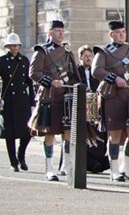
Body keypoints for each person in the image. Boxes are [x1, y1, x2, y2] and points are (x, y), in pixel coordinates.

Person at [92, 20, 129, 181]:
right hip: (113, 96)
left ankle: (127, 166)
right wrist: (114, 78)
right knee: (115, 134)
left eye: (123, 32)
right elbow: (96, 70)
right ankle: (115, 169)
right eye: (118, 32)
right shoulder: (103, 52)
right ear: (111, 34)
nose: (121, 35)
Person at [29, 18, 81, 181]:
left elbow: (73, 74)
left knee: (67, 132)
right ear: (50, 32)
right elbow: (33, 73)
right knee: (50, 133)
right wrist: (50, 82)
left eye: (62, 31)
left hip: (65, 97)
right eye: (58, 31)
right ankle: (49, 168)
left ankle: (66, 165)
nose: (61, 33)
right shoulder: (41, 51)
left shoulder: (66, 52)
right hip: (49, 96)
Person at [0, 33, 33, 172]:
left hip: (22, 101)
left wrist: (32, 102)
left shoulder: (24, 60)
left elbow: (29, 83)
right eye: (12, 45)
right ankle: (13, 162)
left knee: (28, 132)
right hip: (7, 101)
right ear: (7, 46)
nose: (14, 48)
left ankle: (21, 156)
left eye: (16, 45)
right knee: (10, 134)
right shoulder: (1, 61)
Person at [76, 45, 109, 174]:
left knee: (100, 133)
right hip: (82, 108)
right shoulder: (77, 71)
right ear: (80, 58)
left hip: (96, 107)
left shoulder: (96, 71)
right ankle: (88, 161)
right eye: (86, 56)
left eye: (90, 56)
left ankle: (98, 161)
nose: (89, 58)